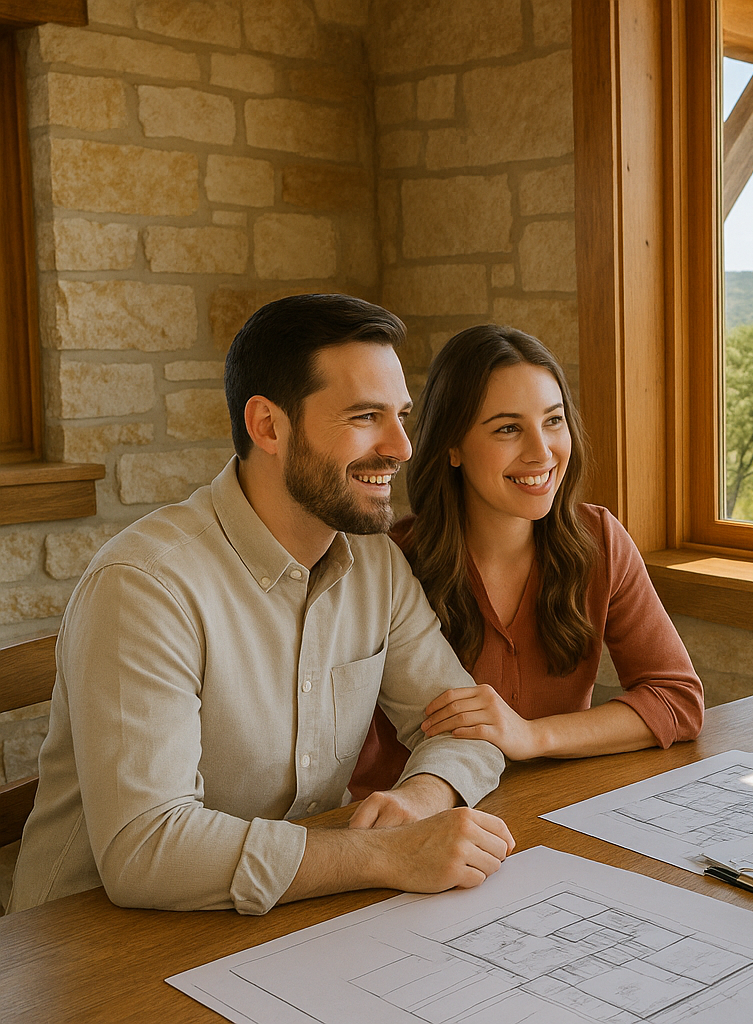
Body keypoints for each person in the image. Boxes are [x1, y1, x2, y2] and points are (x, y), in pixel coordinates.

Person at [9, 295, 513, 916]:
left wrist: (424, 798)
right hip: (94, 945)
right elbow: (146, 851)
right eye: (365, 417)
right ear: (268, 426)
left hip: (279, 923)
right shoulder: (143, 585)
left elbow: (471, 731)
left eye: (401, 416)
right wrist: (385, 855)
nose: (402, 447)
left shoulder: (375, 563)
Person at [348, 325, 703, 797]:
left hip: (557, 811)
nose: (541, 452)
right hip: (426, 822)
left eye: (553, 421)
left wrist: (533, 736)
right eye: (508, 428)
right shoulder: (388, 563)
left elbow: (677, 699)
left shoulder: (599, 540)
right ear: (452, 446)